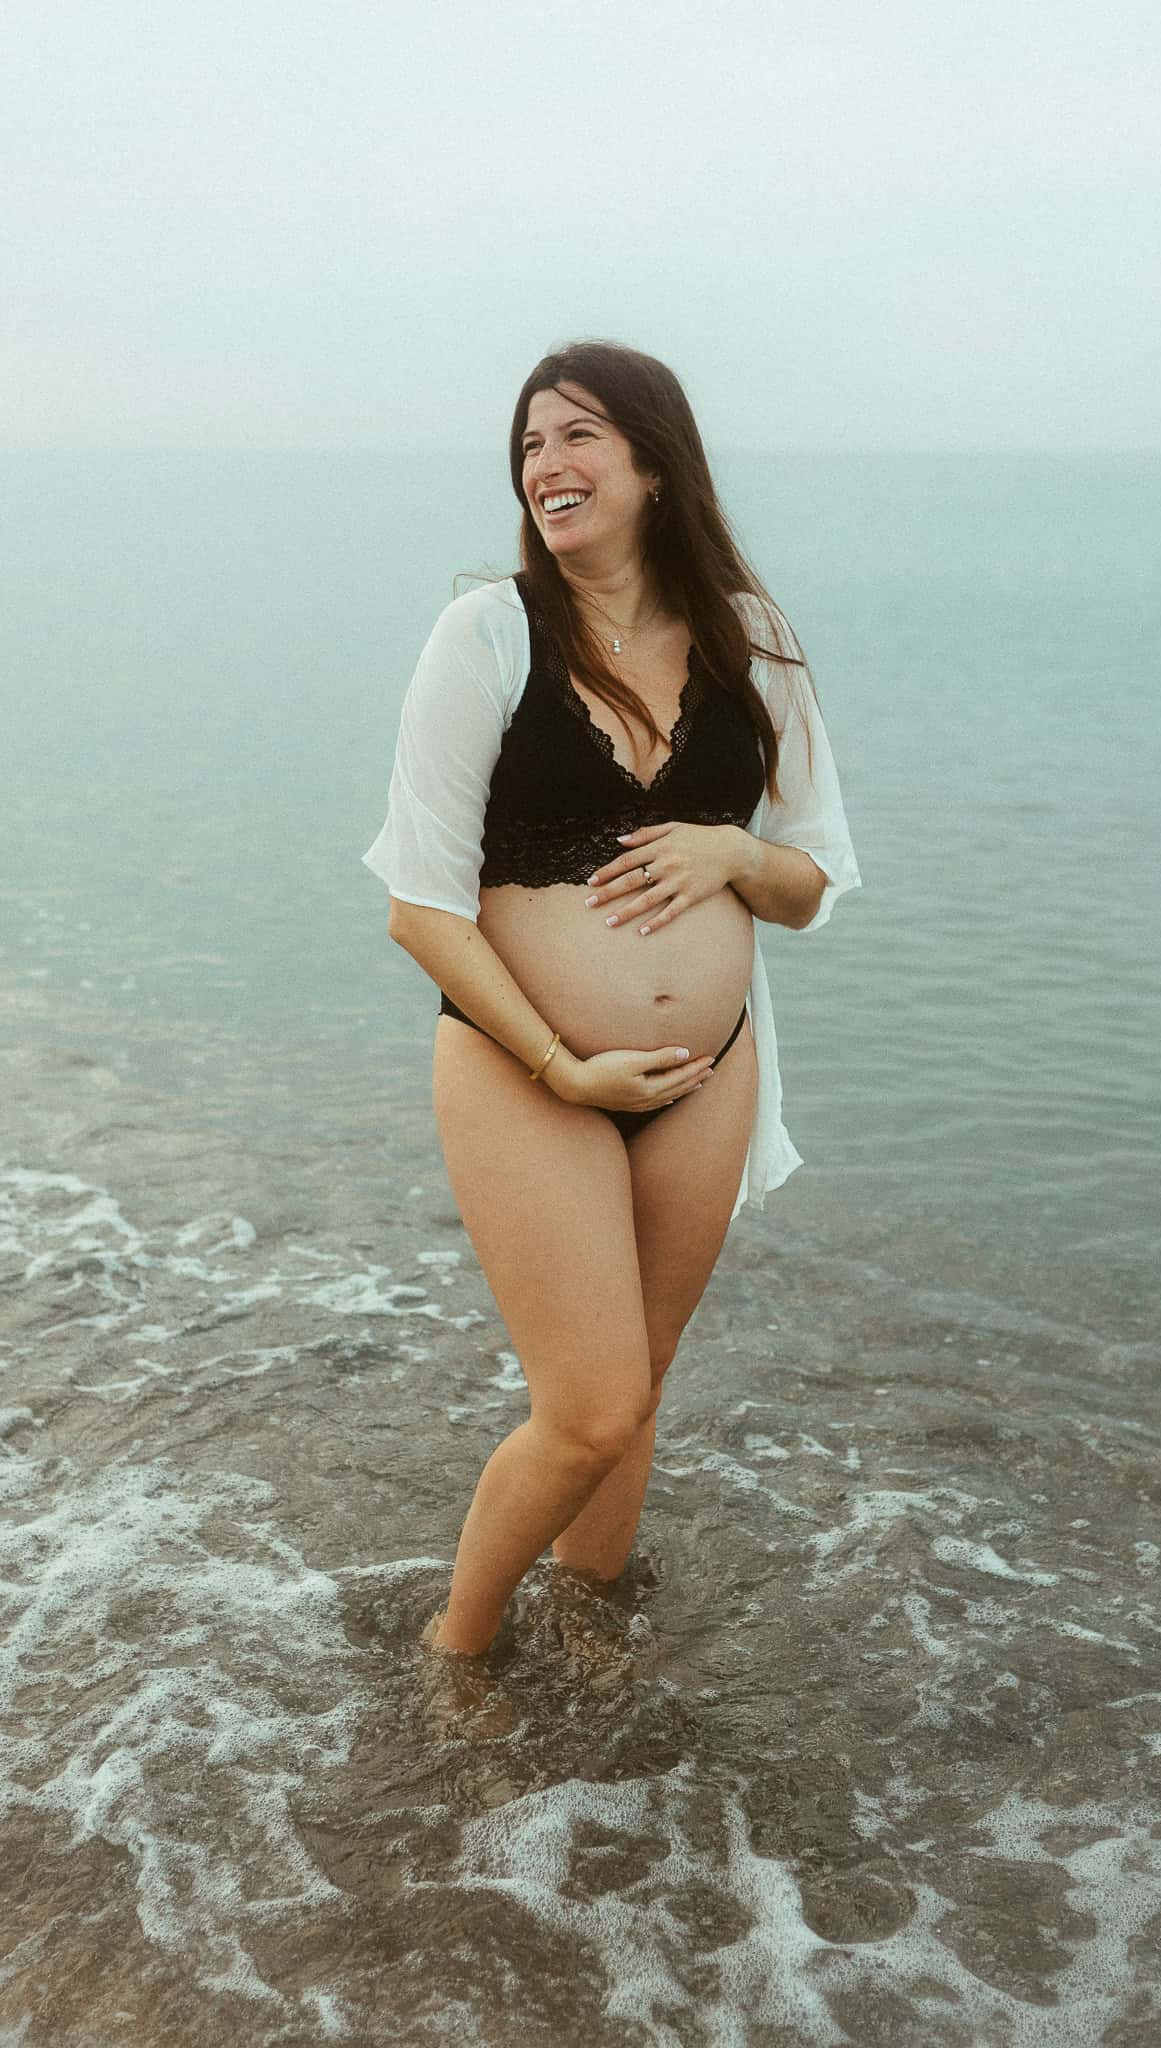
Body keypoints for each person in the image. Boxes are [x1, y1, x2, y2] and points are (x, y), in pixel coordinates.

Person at [362, 340, 861, 1659]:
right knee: (585, 1403)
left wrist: (734, 853)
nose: (546, 465)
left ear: (651, 463)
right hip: (524, 1065)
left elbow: (810, 877)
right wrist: (556, 1063)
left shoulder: (753, 638)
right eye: (529, 446)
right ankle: (457, 1653)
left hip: (709, 1071)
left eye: (575, 437)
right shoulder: (484, 636)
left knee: (639, 1392)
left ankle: (591, 1629)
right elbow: (418, 902)